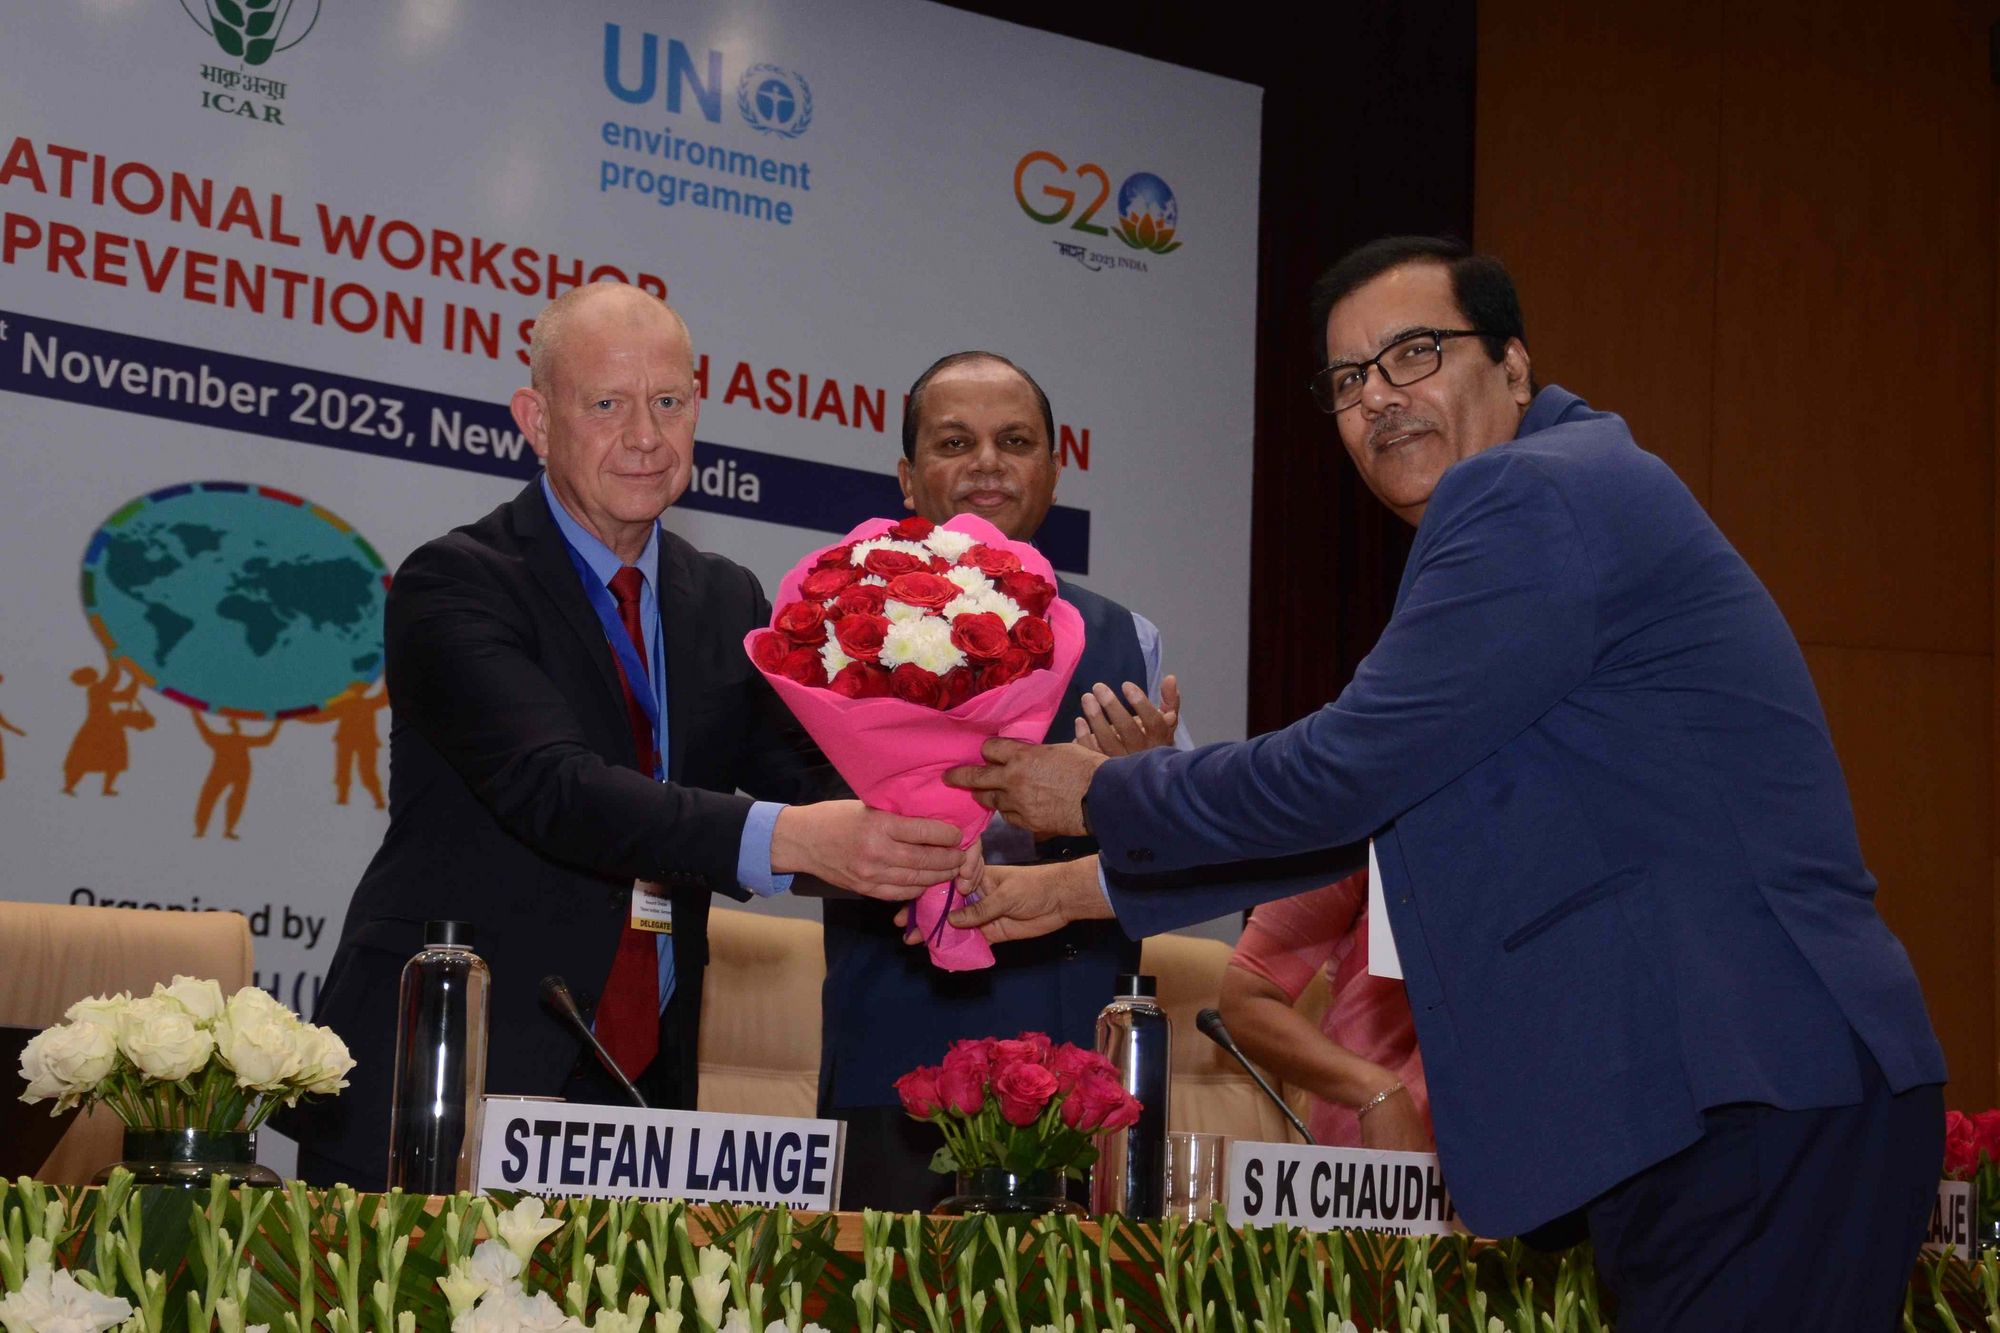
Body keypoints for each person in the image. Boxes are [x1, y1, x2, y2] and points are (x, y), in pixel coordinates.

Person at [937, 238, 1946, 1330]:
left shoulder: (1529, 496)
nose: (1378, 398)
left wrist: (1096, 794)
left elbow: (1343, 770)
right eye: (1347, 379)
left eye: (1413, 353)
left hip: (1740, 1085)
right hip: (1737, 1091)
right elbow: (1382, 816)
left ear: (1512, 365)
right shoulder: (1565, 496)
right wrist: (1070, 889)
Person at [287, 282, 974, 1189]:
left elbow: (808, 776)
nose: (645, 435)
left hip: (637, 1096)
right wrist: (800, 840)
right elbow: (556, 790)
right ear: (535, 420)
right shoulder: (455, 583)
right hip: (446, 1069)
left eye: (668, 403)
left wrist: (939, 819)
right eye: (607, 404)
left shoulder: (725, 598)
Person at [820, 350, 1187, 1211]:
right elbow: (798, 815)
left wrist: (1147, 794)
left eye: (1015, 440)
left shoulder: (1128, 639)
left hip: (1078, 1076)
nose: (987, 461)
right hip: (897, 1064)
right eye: (955, 441)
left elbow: (1185, 858)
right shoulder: (835, 622)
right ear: (909, 479)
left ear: (1053, 472)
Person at [1219, 866, 1430, 1151]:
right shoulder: (1362, 830)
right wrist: (1377, 1090)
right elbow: (1247, 1000)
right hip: (1389, 1134)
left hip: (1499, 1136)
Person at [190, 712, 281, 839]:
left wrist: (278, 723)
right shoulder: (223, 739)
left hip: (238, 772)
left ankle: (224, 829)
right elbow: (204, 730)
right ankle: (203, 829)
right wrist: (195, 713)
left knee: (230, 799)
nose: (236, 726)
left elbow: (266, 740)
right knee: (209, 798)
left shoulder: (233, 739)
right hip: (224, 771)